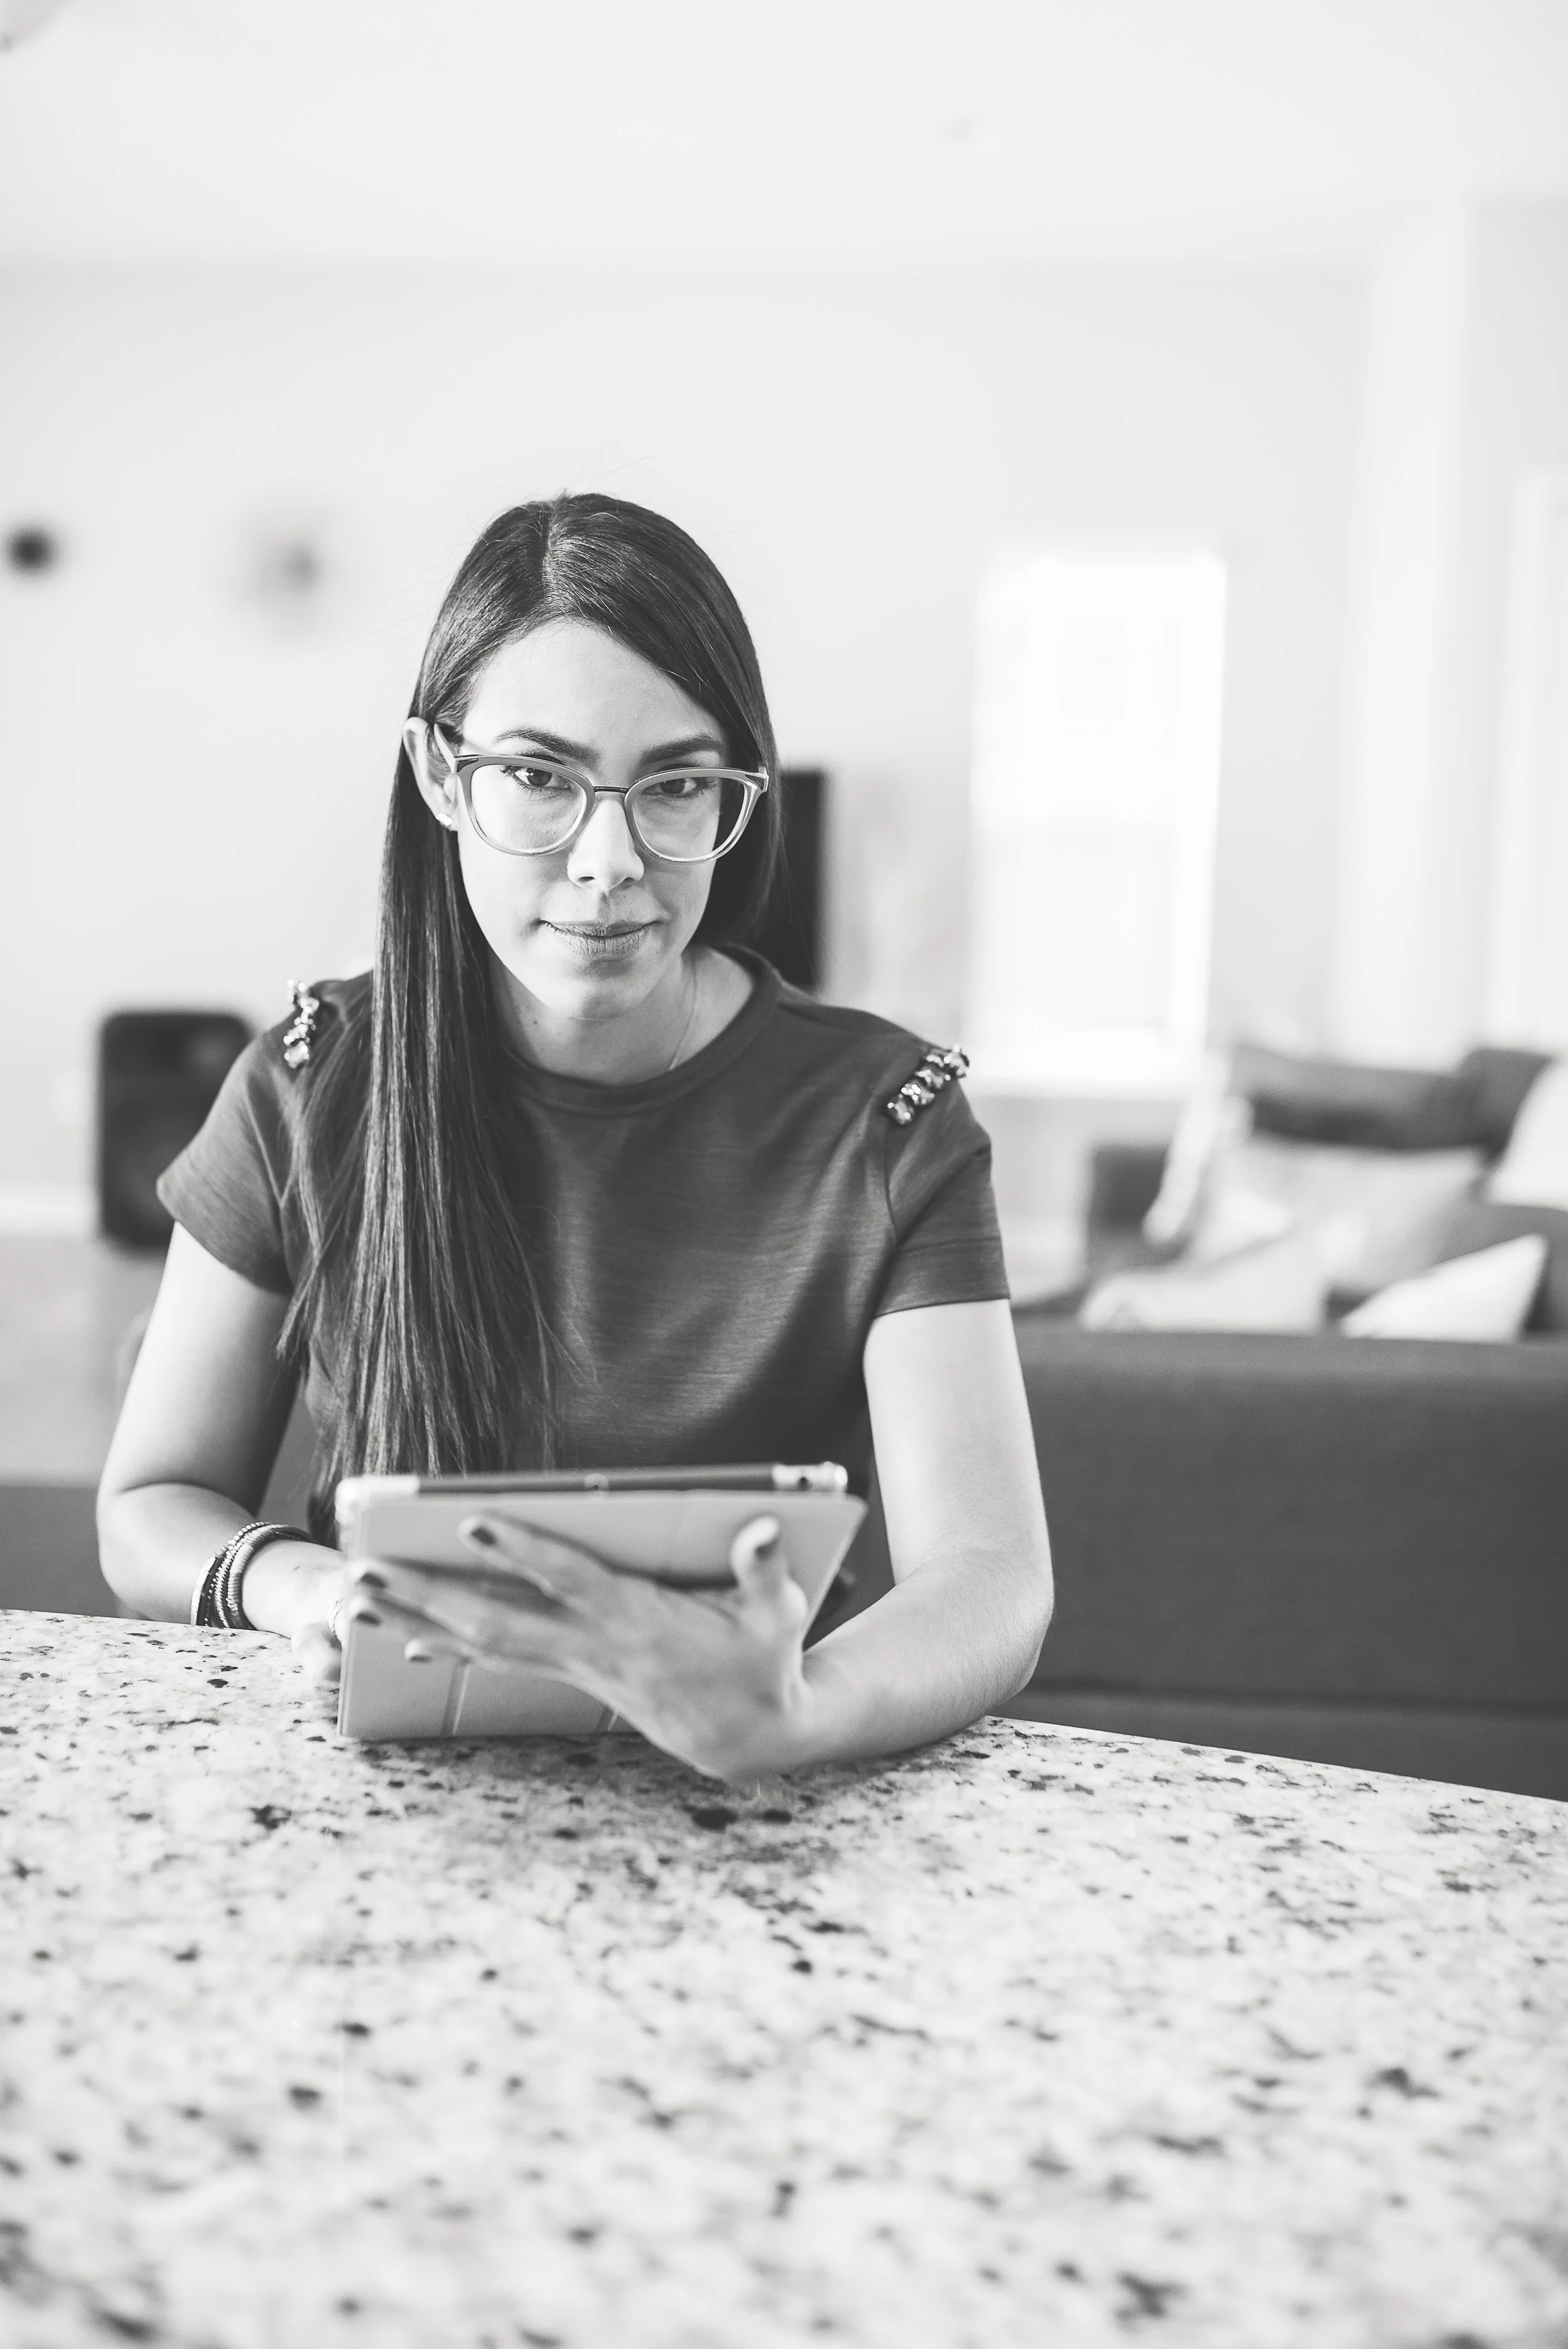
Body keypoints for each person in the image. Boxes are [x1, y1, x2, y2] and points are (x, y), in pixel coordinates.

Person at [97, 495, 1052, 1783]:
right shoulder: (309, 1085)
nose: (609, 863)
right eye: (540, 778)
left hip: (767, 1797)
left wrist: (803, 1710)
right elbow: (148, 1504)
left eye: (675, 786)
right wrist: (308, 1591)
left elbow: (991, 1578)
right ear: (442, 775)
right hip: (396, 1795)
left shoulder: (885, 1119)